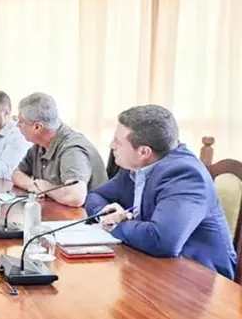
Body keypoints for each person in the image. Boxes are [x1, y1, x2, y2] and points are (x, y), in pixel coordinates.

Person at [86, 105, 237, 281]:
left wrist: (116, 224)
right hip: (153, 264)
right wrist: (107, 215)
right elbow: (95, 196)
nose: (112, 146)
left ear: (144, 152)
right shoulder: (134, 166)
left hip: (200, 280)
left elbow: (162, 240)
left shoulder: (184, 175)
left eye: (117, 142)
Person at [12, 92, 107, 207]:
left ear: (37, 127)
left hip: (87, 218)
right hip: (59, 213)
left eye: (21, 121)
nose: (18, 125)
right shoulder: (40, 144)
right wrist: (33, 185)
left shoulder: (71, 149)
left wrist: (45, 187)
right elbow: (17, 174)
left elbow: (75, 197)